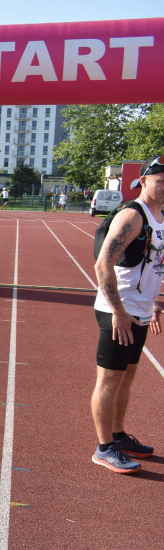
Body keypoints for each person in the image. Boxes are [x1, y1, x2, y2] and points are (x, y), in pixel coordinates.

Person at [89, 154, 164, 474]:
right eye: (160, 181)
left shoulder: (160, 217)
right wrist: (118, 312)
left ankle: (118, 437)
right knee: (109, 380)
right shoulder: (133, 216)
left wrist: (156, 302)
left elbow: (154, 264)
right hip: (117, 312)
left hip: (140, 311)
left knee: (127, 378)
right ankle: (104, 447)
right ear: (143, 181)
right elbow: (102, 264)